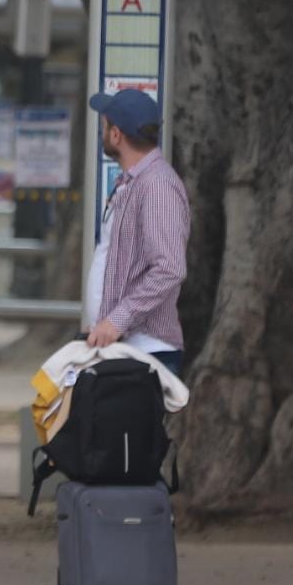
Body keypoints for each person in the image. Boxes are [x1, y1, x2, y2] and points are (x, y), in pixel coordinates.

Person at [83, 88, 190, 377]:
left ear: (116, 135)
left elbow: (169, 268)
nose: (101, 132)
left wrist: (116, 321)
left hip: (146, 353)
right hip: (125, 349)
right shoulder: (134, 182)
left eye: (104, 126)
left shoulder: (156, 187)